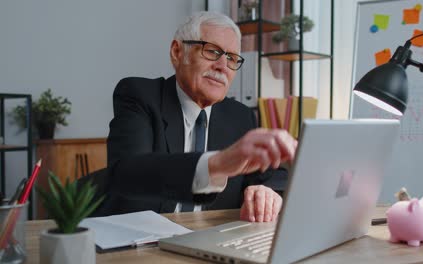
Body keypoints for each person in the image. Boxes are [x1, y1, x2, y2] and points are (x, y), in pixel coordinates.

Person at [105, 11, 297, 223]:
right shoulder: (139, 95)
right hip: (148, 243)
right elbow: (130, 175)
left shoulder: (240, 116)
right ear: (177, 52)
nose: (223, 66)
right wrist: (216, 164)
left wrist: (267, 192)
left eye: (232, 58)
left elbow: (271, 176)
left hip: (215, 241)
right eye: (212, 51)